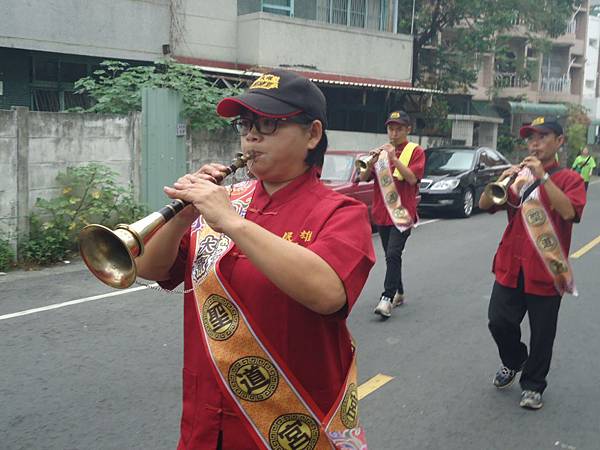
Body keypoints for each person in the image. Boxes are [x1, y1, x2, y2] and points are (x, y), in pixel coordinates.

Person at [134, 70, 375, 449]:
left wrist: (230, 221)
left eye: (269, 124)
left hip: (290, 423)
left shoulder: (341, 211)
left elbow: (327, 293)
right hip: (205, 420)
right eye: (245, 124)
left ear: (312, 134)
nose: (252, 135)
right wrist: (182, 217)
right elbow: (150, 268)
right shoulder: (225, 203)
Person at [479, 116, 586, 410]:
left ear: (559, 142)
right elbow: (485, 205)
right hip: (511, 265)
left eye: (542, 136)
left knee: (542, 334)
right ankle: (514, 361)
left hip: (547, 270)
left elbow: (569, 213)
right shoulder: (519, 177)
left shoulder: (569, 179)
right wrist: (503, 180)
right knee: (498, 321)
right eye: (531, 138)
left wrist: (544, 178)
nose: (535, 143)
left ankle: (533, 384)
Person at [357, 110, 425, 319]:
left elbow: (412, 179)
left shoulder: (415, 151)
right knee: (390, 256)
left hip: (402, 213)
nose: (394, 133)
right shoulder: (381, 152)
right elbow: (363, 176)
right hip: (382, 212)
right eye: (391, 128)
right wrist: (370, 161)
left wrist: (393, 158)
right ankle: (400, 292)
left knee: (393, 254)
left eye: (399, 129)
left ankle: (387, 297)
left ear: (408, 130)